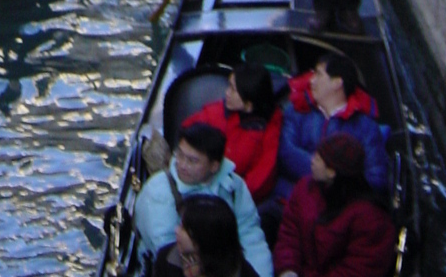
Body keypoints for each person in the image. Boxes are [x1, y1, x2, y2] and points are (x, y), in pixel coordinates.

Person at [134, 121, 274, 277]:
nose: (182, 165)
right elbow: (165, 246)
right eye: (180, 155)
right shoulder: (158, 192)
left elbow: (249, 233)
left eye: (192, 161)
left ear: (214, 166)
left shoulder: (233, 185)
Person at [274, 136, 395, 277]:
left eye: (318, 159)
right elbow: (289, 234)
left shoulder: (371, 218)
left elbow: (359, 269)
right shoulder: (305, 189)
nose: (312, 160)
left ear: (332, 172)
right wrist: (288, 269)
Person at [276, 54, 388, 201]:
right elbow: (285, 153)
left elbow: (376, 178)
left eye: (319, 74)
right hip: (290, 199)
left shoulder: (366, 128)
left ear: (337, 83)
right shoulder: (297, 111)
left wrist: (332, 179)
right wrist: (322, 170)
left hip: (340, 208)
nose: (311, 80)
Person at [184, 66, 284, 204]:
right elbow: (187, 131)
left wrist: (232, 197)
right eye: (229, 85)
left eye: (233, 90)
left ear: (248, 105)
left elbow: (263, 174)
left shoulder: (270, 127)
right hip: (201, 183)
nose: (226, 93)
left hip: (236, 198)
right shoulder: (217, 112)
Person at [161, 195, 267, 277]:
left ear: (205, 236)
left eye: (184, 228)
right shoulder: (168, 257)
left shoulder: (240, 270)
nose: (176, 231)